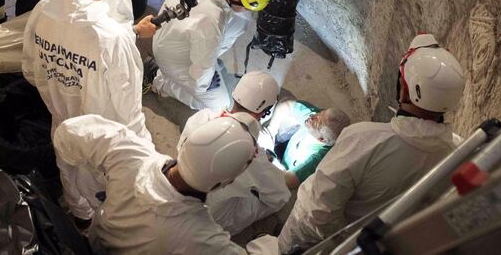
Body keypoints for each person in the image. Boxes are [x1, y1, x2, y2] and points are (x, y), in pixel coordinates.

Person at [278, 33, 465, 251]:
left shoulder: (364, 139)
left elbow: (317, 211)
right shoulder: (457, 153)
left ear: (404, 90)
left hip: (316, 243)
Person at [22, 0, 156, 222]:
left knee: (70, 177)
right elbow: (129, 112)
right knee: (109, 198)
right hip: (101, 141)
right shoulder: (113, 39)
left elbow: (31, 72)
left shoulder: (43, 10)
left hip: (60, 122)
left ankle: (79, 217)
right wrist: (145, 154)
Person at [53, 113, 280, 254]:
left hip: (96, 240)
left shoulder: (130, 152)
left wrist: (91, 181)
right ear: (225, 182)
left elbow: (67, 133)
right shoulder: (199, 238)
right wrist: (267, 245)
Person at [178, 71, 290, 235]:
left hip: (182, 195)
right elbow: (278, 196)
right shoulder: (250, 156)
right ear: (264, 111)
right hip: (209, 219)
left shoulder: (201, 117)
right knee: (268, 199)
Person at [151, 0, 274, 111]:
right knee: (221, 108)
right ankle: (163, 83)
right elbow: (200, 74)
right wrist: (207, 80)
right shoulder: (211, 21)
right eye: (246, 5)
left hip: (170, 36)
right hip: (174, 59)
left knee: (242, 20)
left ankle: (206, 60)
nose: (247, 10)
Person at [261, 98, 350, 190]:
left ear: (322, 139)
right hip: (286, 149)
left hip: (286, 169)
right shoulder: (317, 119)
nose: (312, 117)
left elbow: (287, 182)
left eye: (316, 123)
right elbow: (287, 104)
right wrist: (271, 130)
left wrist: (273, 162)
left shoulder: (317, 158)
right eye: (320, 113)